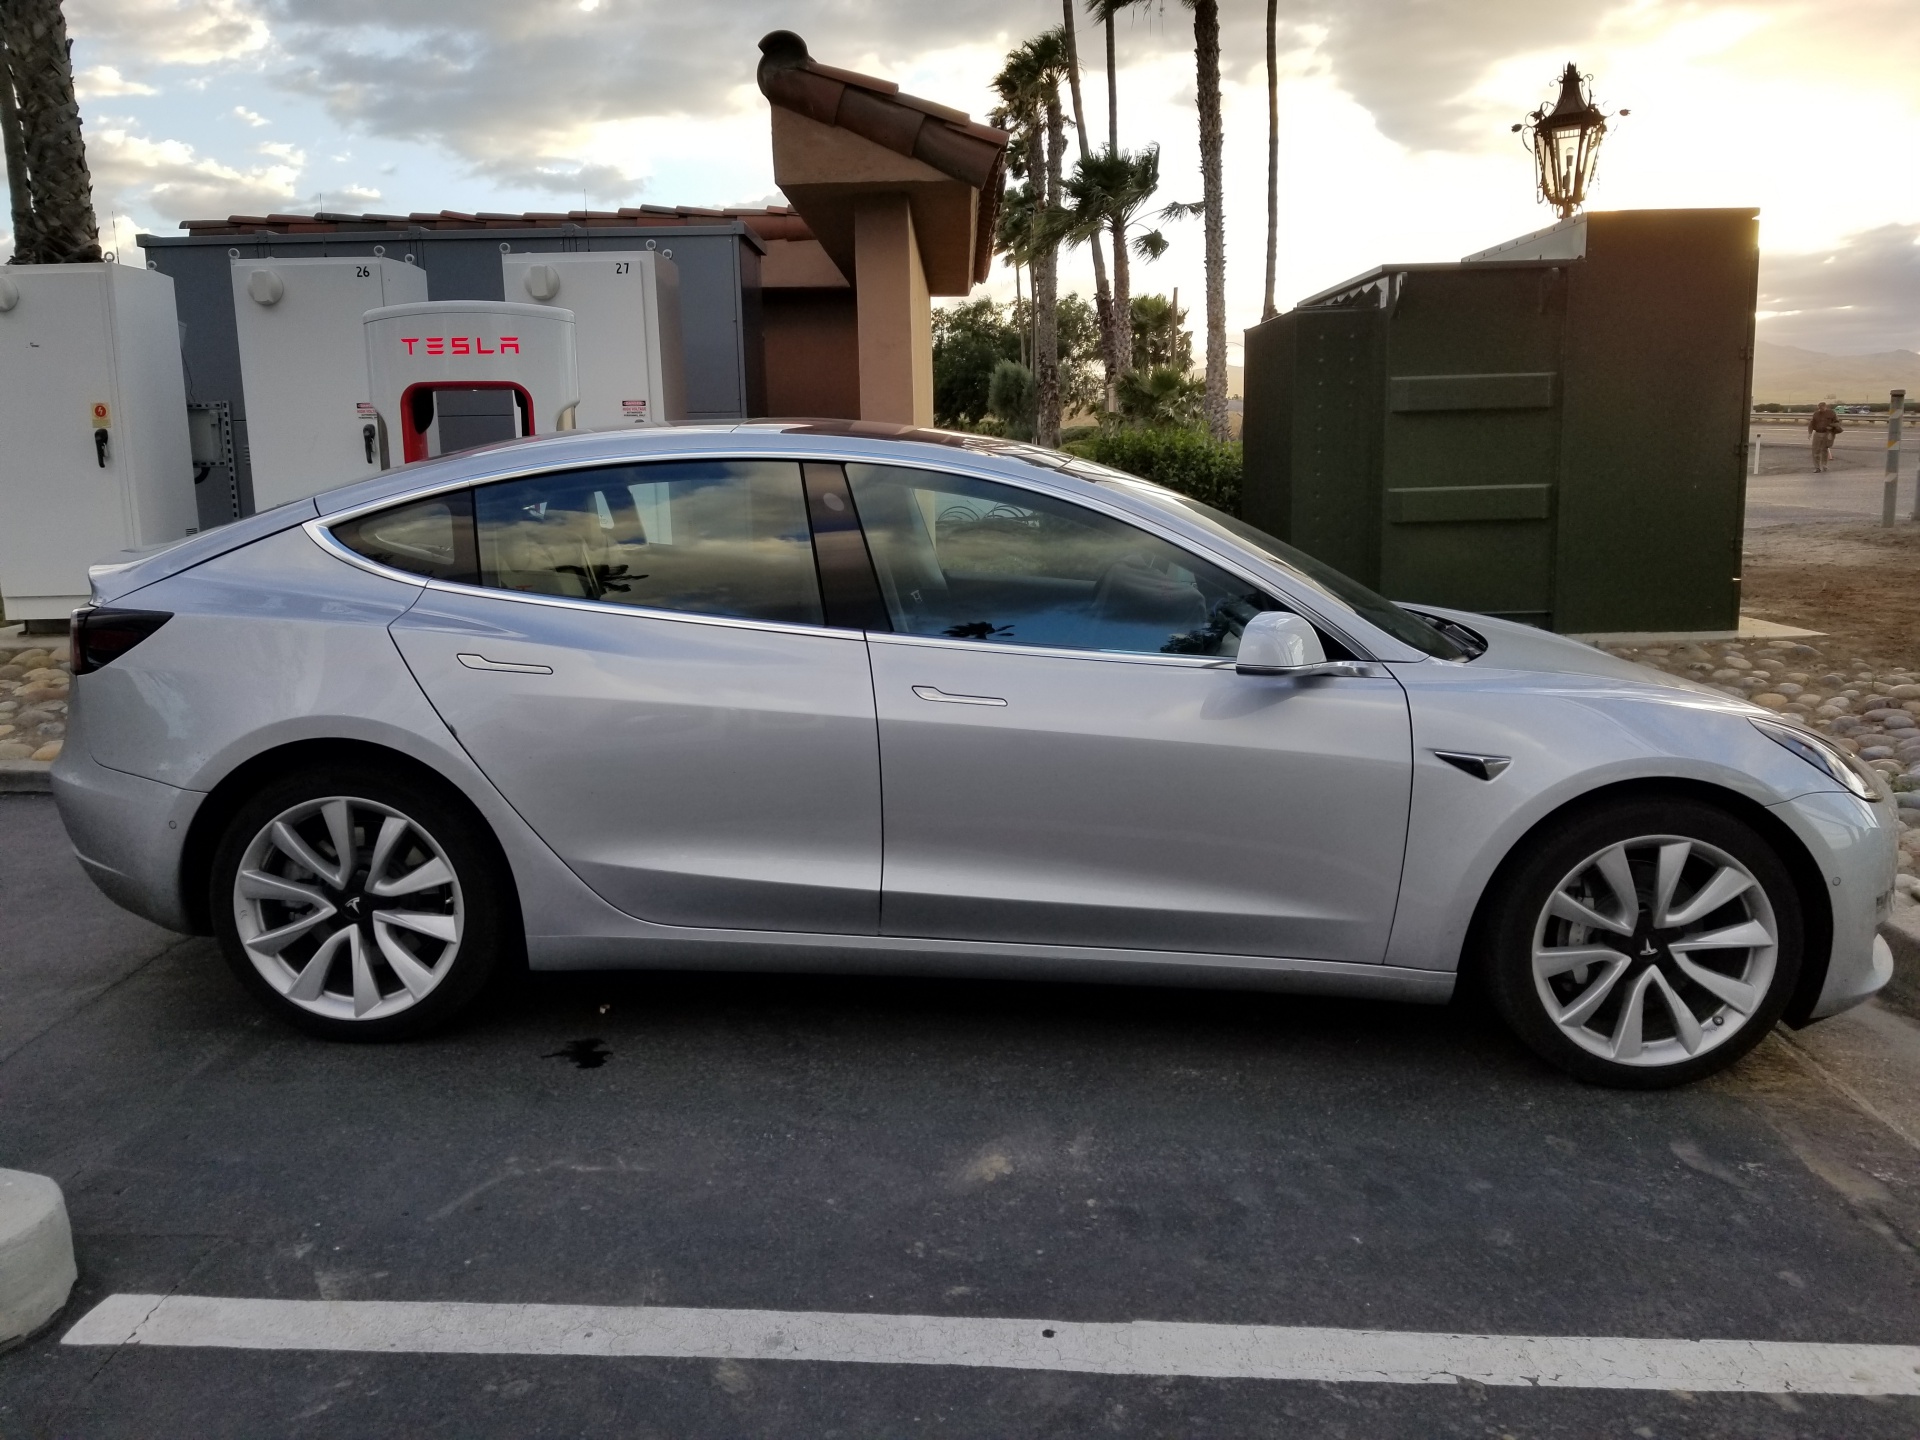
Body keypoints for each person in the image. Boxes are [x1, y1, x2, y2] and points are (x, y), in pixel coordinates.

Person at [1807, 401, 1842, 473]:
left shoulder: (1831, 413)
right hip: (1817, 433)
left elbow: (1837, 422)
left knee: (1824, 449)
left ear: (1825, 406)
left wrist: (1831, 426)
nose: (1821, 409)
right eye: (1819, 408)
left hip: (1827, 433)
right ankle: (1817, 467)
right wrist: (1810, 433)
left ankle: (1824, 465)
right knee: (1815, 450)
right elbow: (1811, 423)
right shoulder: (1816, 414)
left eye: (1822, 407)